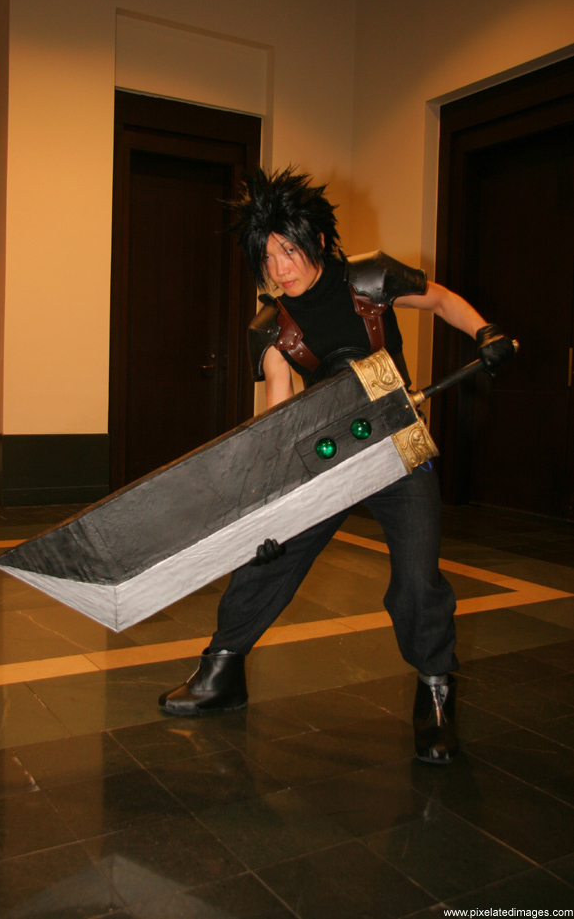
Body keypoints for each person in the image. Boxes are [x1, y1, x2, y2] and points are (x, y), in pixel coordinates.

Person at [159, 167, 515, 763]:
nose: (279, 268)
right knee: (268, 557)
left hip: (399, 446)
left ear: (318, 241)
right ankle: (221, 670)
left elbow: (440, 299)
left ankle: (434, 693)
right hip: (326, 453)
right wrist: (271, 508)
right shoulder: (270, 328)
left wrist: (486, 330)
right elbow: (279, 417)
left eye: (289, 250)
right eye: (267, 256)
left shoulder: (371, 278)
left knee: (418, 579)